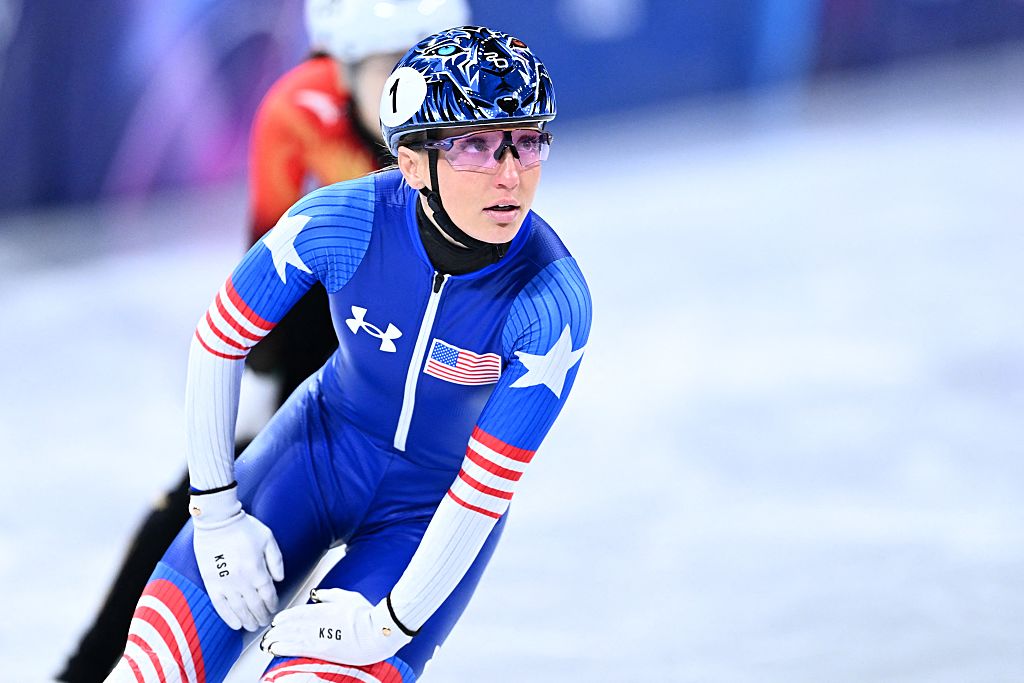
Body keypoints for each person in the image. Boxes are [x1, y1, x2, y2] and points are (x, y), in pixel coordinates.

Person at [104, 25, 591, 683]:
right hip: (316, 454)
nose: (510, 175)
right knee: (151, 673)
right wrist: (215, 513)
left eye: (527, 142)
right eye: (475, 146)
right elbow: (219, 341)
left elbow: (482, 489)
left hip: (430, 510)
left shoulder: (550, 301)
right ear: (412, 163)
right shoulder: (341, 222)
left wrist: (390, 624)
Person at [57, 3, 469, 681]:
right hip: (330, 302)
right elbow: (266, 275)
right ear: (339, 69)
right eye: (389, 70)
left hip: (410, 328)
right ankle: (84, 667)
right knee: (207, 490)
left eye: (428, 73)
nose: (412, 100)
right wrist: (258, 385)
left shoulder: (473, 134)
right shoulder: (296, 110)